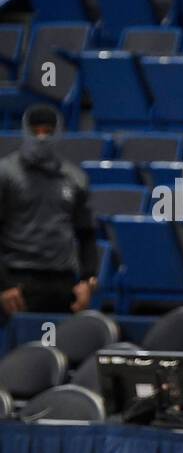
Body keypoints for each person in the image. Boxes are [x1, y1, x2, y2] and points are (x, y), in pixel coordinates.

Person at [0, 103, 97, 317]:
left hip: (62, 284)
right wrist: (3, 284)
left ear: (58, 133)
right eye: (36, 132)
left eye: (48, 132)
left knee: (61, 348)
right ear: (26, 132)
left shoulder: (75, 178)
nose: (42, 138)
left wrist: (87, 281)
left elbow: (86, 234)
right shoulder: (5, 174)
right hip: (17, 281)